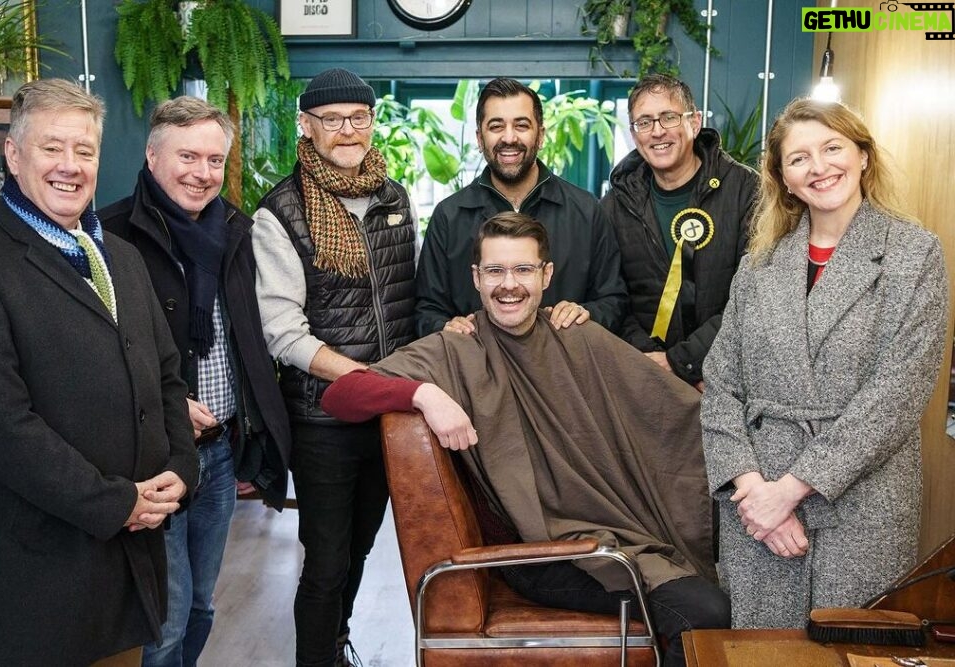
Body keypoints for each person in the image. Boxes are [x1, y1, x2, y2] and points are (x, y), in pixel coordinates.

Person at [323, 212, 730, 667]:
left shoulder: (575, 333)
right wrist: (425, 393)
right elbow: (341, 394)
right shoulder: (457, 348)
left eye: (523, 270)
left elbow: (668, 411)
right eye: (495, 271)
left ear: (546, 275)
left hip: (614, 530)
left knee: (727, 576)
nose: (508, 285)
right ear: (476, 278)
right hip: (537, 553)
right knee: (702, 610)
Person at [0, 79, 198, 666]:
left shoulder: (120, 258)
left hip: (128, 575)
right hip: (39, 582)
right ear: (15, 155)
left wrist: (182, 466)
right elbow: (2, 429)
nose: (70, 167)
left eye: (85, 150)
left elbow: (167, 376)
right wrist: (116, 503)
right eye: (52, 148)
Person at [701, 98, 949, 629]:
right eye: (799, 158)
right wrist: (751, 491)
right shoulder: (759, 265)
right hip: (759, 511)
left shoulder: (915, 254)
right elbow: (721, 385)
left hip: (861, 506)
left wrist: (791, 490)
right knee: (759, 657)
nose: (819, 168)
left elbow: (896, 397)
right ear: (783, 179)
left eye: (833, 148)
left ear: (862, 156)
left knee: (847, 652)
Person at [99, 96, 292, 666]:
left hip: (223, 452)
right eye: (188, 156)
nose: (201, 173)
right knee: (167, 616)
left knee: (204, 605)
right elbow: (97, 350)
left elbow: (248, 336)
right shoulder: (109, 235)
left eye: (214, 160)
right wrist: (168, 403)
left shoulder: (238, 230)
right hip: (154, 457)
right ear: (152, 155)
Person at [251, 68, 417, 667]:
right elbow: (283, 332)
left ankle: (335, 643)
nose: (347, 130)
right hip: (322, 419)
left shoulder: (393, 198)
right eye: (331, 119)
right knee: (325, 560)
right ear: (306, 126)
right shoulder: (280, 211)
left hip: (386, 416)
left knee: (362, 546)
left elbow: (407, 303)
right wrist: (363, 379)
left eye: (359, 117)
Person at [416, 77, 628, 337]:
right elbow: (426, 310)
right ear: (480, 138)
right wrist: (445, 327)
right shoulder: (449, 216)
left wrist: (587, 314)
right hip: (475, 370)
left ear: (540, 135)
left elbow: (614, 300)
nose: (509, 137)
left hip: (564, 370)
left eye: (521, 125)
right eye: (496, 126)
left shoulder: (586, 210)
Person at [601, 74, 757, 389]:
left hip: (727, 380)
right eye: (643, 123)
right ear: (634, 134)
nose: (657, 131)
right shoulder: (615, 205)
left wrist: (684, 361)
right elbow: (611, 296)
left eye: (669, 118)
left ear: (695, 122)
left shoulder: (746, 190)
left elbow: (755, 296)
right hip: (646, 379)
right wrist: (651, 359)